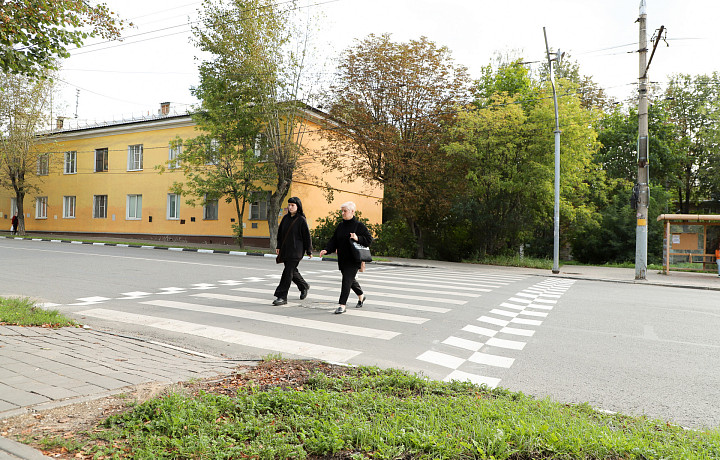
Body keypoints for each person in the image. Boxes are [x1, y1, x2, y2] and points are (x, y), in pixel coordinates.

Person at [318, 201, 372, 314]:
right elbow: (334, 240)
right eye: (341, 211)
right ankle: (361, 295)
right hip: (342, 259)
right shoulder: (341, 226)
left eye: (345, 211)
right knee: (350, 280)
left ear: (352, 211)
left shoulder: (359, 226)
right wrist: (327, 250)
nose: (342, 213)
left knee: (346, 280)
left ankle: (342, 305)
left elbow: (369, 240)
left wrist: (358, 238)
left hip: (354, 259)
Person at [272, 197, 312, 306]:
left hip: (296, 251)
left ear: (298, 206)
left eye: (292, 205)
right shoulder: (285, 218)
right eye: (289, 205)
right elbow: (280, 234)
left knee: (287, 272)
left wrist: (309, 250)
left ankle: (282, 296)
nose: (290, 207)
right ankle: (304, 286)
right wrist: (279, 246)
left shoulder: (301, 220)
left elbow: (306, 236)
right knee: (292, 271)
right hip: (286, 250)